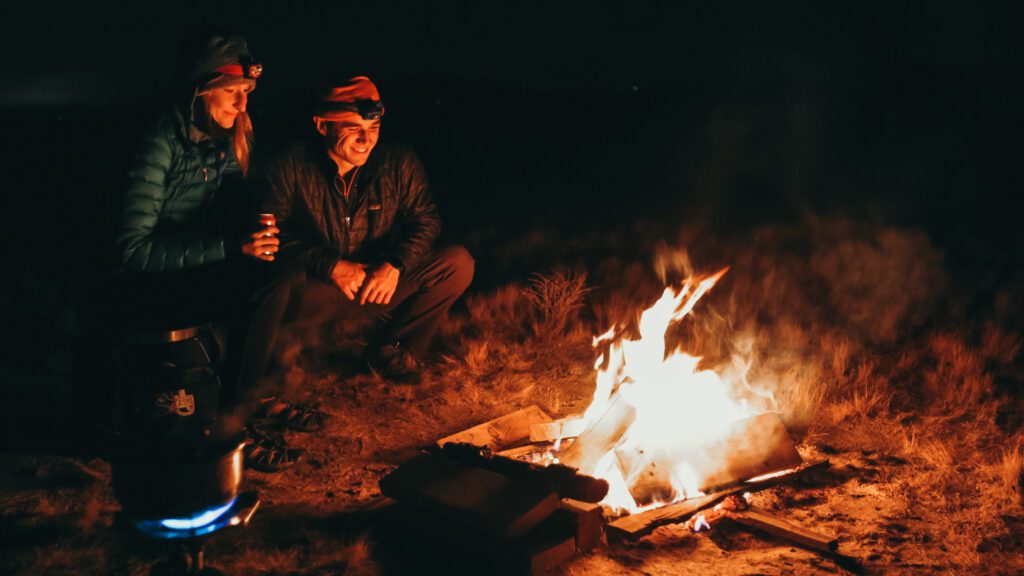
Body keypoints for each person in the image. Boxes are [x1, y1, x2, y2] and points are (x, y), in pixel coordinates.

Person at [113, 33, 314, 472]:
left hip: (182, 269)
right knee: (265, 284)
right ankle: (231, 423)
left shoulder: (218, 136)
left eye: (246, 94)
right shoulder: (159, 140)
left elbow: (230, 194)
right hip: (141, 287)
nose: (242, 105)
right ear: (201, 89)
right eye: (232, 92)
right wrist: (229, 247)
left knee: (286, 270)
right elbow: (132, 252)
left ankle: (255, 393)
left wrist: (259, 222)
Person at [255, 75, 474, 383]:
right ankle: (271, 367)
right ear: (322, 125)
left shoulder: (397, 162)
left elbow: (426, 220)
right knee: (271, 283)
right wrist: (328, 265)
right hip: (319, 290)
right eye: (354, 128)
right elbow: (268, 233)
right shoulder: (290, 163)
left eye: (373, 128)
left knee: (457, 263)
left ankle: (393, 351)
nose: (366, 139)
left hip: (375, 283)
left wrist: (395, 263)